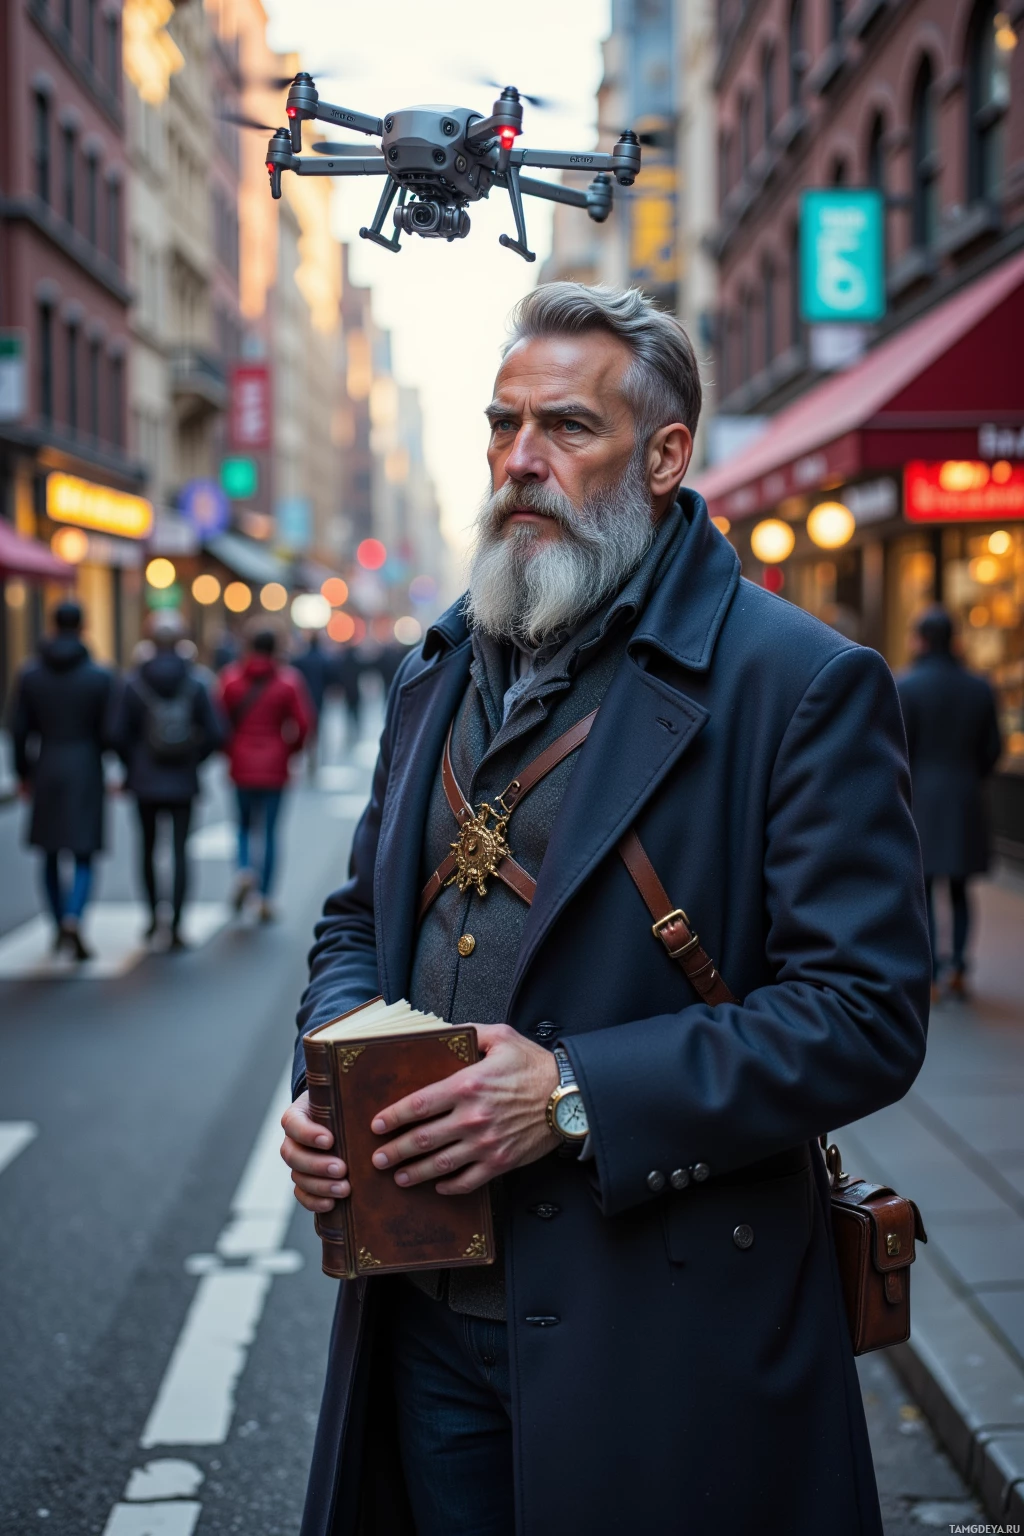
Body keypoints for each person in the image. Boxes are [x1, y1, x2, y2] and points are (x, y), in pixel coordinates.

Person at [280, 283, 931, 1536]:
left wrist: (573, 1093)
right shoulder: (440, 661)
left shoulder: (798, 683)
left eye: (567, 428)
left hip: (665, 1338)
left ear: (667, 454)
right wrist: (334, 1075)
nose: (520, 461)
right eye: (502, 424)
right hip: (425, 1320)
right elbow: (354, 917)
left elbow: (863, 1016)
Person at [897, 605, 1002, 998]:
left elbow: (898, 748)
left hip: (921, 798)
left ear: (921, 639)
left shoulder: (906, 685)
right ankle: (958, 966)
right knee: (960, 889)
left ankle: (931, 972)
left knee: (920, 891)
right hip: (965, 797)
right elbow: (993, 748)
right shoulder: (979, 686)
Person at [7, 600, 115, 960]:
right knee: (83, 851)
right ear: (83, 626)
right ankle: (74, 914)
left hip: (48, 765)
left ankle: (58, 920)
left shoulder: (31, 674)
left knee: (50, 852)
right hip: (85, 766)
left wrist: (23, 773)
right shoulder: (99, 676)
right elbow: (112, 731)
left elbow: (19, 730)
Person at [114, 612, 224, 949]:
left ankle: (151, 918)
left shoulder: (133, 682)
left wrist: (132, 764)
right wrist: (193, 759)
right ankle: (176, 924)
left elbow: (116, 732)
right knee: (180, 851)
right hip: (182, 780)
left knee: (146, 849)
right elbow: (217, 733)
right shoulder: (197, 681)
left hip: (144, 780)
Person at [219, 626, 312, 921]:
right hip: (275, 765)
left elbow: (218, 721)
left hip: (241, 764)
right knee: (270, 832)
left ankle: (245, 869)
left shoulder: (231, 679)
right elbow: (304, 723)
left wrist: (230, 751)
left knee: (244, 826)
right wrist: (290, 750)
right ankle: (265, 897)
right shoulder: (288, 681)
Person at [292, 630, 331, 772]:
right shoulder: (325, 659)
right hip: (318, 698)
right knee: (316, 727)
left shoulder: (300, 659)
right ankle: (313, 756)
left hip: (303, 698)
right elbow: (330, 679)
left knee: (306, 726)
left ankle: (310, 753)